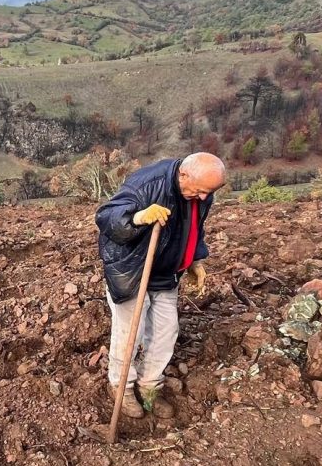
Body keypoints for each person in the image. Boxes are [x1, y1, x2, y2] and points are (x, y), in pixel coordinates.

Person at [95, 152, 226, 420]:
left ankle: (150, 387)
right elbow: (106, 217)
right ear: (184, 175)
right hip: (133, 271)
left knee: (167, 331)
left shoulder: (200, 192)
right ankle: (122, 387)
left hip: (166, 273)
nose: (204, 198)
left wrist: (194, 260)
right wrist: (138, 218)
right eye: (201, 191)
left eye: (208, 193)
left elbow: (194, 228)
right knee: (130, 332)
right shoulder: (147, 183)